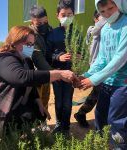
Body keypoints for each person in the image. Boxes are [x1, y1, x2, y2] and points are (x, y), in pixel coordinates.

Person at [0, 26, 78, 135]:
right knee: (17, 122)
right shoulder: (4, 59)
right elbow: (22, 77)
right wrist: (59, 74)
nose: (31, 47)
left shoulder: (26, 61)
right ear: (14, 42)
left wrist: (39, 102)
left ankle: (19, 132)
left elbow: (31, 84)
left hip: (12, 105)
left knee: (39, 113)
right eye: (28, 44)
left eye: (32, 44)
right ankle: (8, 135)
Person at [78, 0, 127, 149]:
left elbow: (120, 57)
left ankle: (121, 147)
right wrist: (87, 74)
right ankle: (101, 143)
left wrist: (94, 79)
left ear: (119, 5)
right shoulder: (105, 29)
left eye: (111, 8)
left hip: (124, 83)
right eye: (102, 11)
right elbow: (101, 58)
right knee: (100, 115)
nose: (108, 13)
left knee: (117, 120)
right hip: (107, 82)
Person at [74, 11, 106, 128]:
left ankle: (81, 113)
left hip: (101, 66)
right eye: (103, 17)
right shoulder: (94, 30)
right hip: (97, 67)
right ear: (95, 19)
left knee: (97, 93)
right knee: (99, 93)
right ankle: (83, 114)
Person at [47, 0, 74, 135]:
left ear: (73, 15)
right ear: (57, 15)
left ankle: (66, 127)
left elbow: (82, 50)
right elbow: (48, 54)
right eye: (63, 15)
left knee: (68, 102)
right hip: (57, 73)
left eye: (70, 14)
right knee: (59, 101)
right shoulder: (53, 33)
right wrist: (58, 57)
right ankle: (58, 124)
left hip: (71, 74)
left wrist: (79, 55)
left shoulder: (76, 33)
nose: (67, 18)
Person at [29, 5, 53, 131]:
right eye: (39, 23)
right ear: (32, 21)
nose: (43, 24)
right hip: (36, 73)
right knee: (35, 100)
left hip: (48, 72)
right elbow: (37, 56)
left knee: (45, 98)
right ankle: (34, 124)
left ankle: (43, 122)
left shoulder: (50, 29)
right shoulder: (30, 34)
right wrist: (56, 74)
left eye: (45, 21)